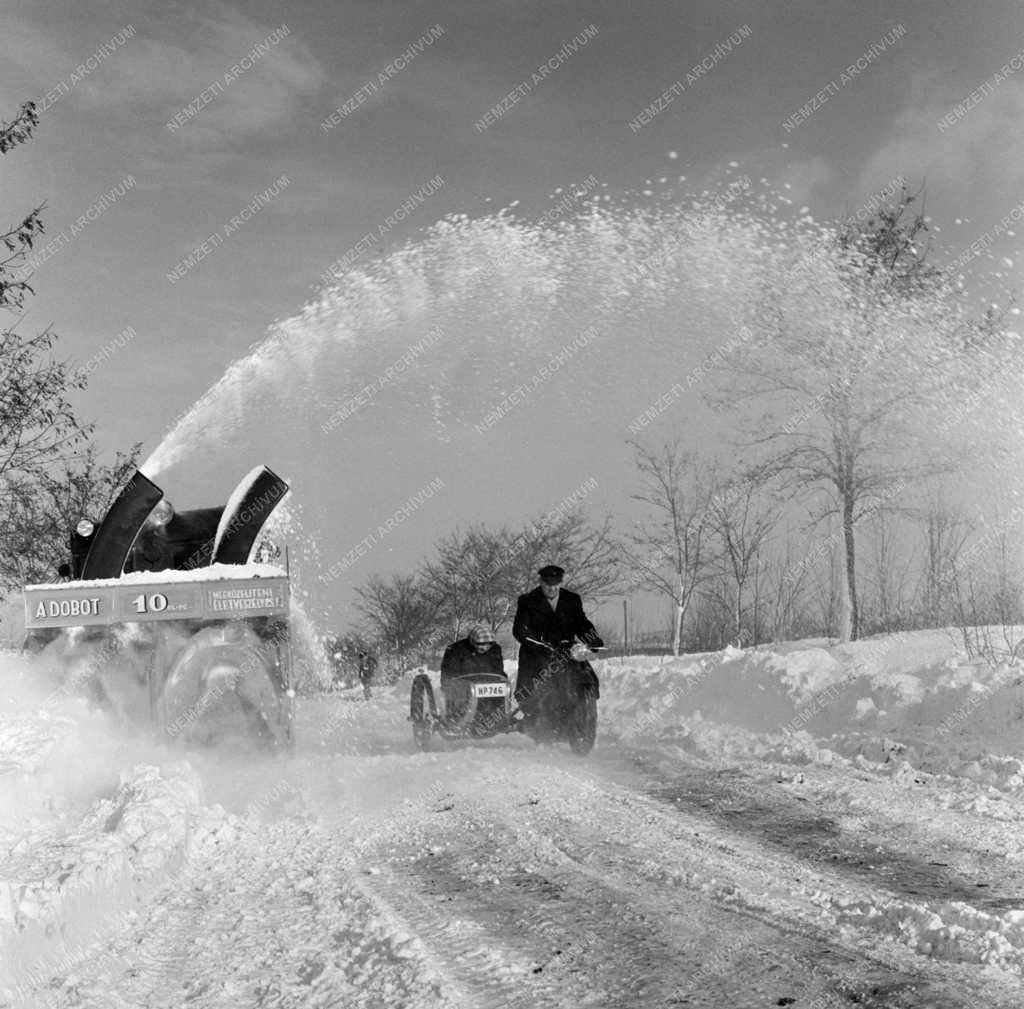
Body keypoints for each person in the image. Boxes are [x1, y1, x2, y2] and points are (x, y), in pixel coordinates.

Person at [512, 565, 603, 725]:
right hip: (536, 650)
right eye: (548, 585)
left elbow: (581, 623)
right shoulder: (527, 601)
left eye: (556, 585)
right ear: (541, 582)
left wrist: (592, 638)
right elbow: (520, 629)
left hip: (566, 649)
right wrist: (537, 644)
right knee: (533, 685)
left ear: (561, 583)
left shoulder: (572, 599)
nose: (552, 589)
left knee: (585, 672)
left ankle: (585, 706)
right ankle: (535, 713)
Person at [440, 625, 505, 720]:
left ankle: (497, 716)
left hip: (486, 682)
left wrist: (500, 680)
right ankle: (460, 717)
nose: (485, 647)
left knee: (503, 686)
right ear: (473, 642)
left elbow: (498, 670)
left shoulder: (495, 649)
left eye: (489, 644)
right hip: (462, 682)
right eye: (481, 644)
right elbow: (450, 673)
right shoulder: (455, 650)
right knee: (460, 689)